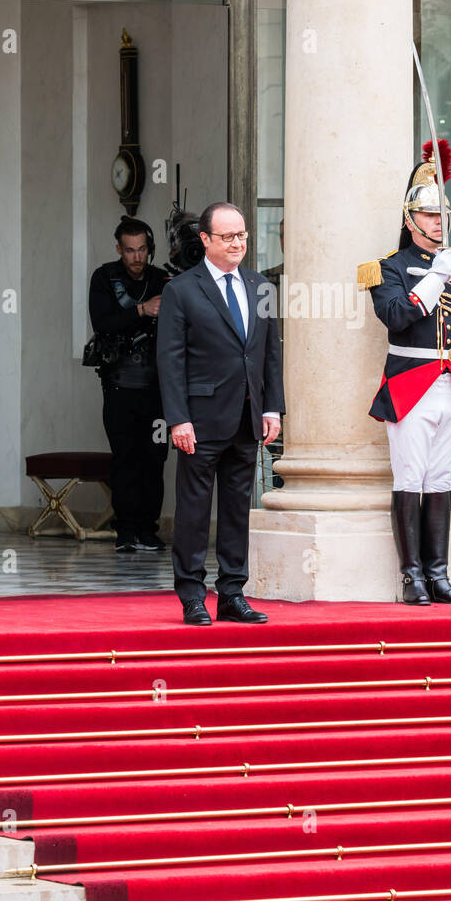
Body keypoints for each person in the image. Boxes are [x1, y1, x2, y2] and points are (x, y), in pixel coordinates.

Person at [360, 142, 451, 604]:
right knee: (411, 477)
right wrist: (436, 276)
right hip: (412, 384)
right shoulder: (388, 269)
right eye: (430, 214)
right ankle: (411, 576)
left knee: (441, 479)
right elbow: (398, 316)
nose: (441, 223)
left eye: (444, 215)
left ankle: (438, 575)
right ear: (409, 219)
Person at [157, 202, 284, 625]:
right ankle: (192, 595)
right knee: (194, 512)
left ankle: (232, 593)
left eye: (242, 235)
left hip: (247, 418)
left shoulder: (259, 285)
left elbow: (269, 355)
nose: (237, 243)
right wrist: (178, 418)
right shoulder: (182, 289)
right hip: (200, 418)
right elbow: (170, 360)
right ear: (206, 240)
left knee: (235, 511)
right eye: (228, 236)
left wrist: (272, 408)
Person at [88, 217, 170, 553]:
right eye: (130, 250)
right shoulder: (104, 277)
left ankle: (148, 529)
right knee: (125, 458)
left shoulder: (163, 279)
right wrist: (142, 310)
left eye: (142, 250)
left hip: (158, 389)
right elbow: (103, 323)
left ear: (149, 249)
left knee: (155, 458)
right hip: (119, 385)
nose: (136, 257)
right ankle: (126, 531)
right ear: (119, 249)